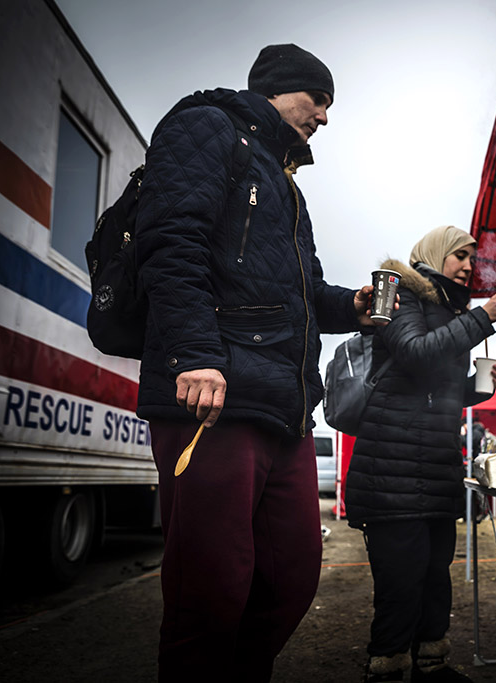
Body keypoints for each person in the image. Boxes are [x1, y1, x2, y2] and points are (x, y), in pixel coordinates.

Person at [135, 44, 386, 681]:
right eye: (318, 100)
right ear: (277, 89)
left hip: (284, 408)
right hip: (212, 399)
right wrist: (195, 354)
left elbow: (303, 293)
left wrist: (351, 306)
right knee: (210, 592)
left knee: (290, 580)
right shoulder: (205, 127)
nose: (325, 117)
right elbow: (171, 244)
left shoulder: (285, 183)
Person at [343, 225, 496, 682]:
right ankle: (386, 667)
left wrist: (479, 386)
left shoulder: (449, 310)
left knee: (435, 578)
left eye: (472, 259)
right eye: (460, 255)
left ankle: (431, 665)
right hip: (392, 470)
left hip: (437, 467)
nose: (468, 266)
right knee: (400, 584)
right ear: (436, 252)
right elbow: (414, 353)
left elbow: (436, 390)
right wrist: (482, 317)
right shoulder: (400, 293)